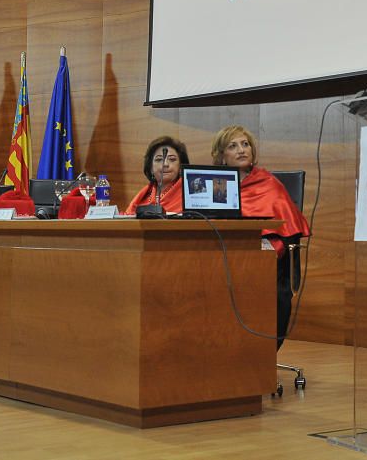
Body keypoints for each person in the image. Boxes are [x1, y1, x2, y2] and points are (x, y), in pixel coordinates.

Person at [211, 125, 311, 349]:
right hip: (224, 260)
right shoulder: (216, 186)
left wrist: (255, 256)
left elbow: (286, 232)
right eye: (233, 146)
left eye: (245, 144)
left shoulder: (269, 184)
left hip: (268, 263)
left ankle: (257, 358)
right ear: (221, 156)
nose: (241, 150)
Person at [125, 136, 190, 215]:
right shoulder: (143, 196)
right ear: (151, 168)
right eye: (159, 160)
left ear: (181, 166)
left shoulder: (189, 194)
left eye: (172, 159)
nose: (165, 164)